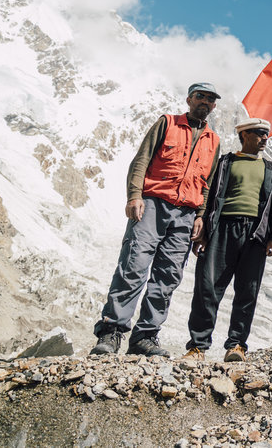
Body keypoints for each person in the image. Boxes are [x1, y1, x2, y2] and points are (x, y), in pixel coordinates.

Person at [91, 83, 221, 357]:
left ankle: (145, 338)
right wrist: (134, 196)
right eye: (200, 97)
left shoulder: (214, 140)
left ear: (214, 106)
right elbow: (142, 160)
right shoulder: (167, 123)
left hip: (186, 214)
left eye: (210, 99)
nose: (205, 102)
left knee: (168, 277)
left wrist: (200, 216)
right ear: (189, 99)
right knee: (133, 267)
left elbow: (207, 183)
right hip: (152, 204)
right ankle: (111, 332)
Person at [183, 117, 272, 362]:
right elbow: (210, 195)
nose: (264, 138)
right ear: (244, 136)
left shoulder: (271, 169)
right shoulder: (225, 162)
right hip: (222, 229)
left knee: (247, 291)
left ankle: (237, 345)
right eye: (259, 133)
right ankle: (198, 346)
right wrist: (204, 230)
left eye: (265, 134)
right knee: (207, 287)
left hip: (255, 234)